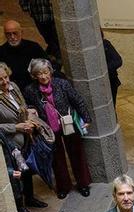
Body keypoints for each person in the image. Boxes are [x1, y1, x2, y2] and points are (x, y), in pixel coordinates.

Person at [23, 58, 92, 199]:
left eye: (45, 72)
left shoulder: (62, 84)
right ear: (34, 76)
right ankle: (63, 186)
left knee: (76, 153)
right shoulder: (30, 90)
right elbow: (29, 106)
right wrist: (32, 110)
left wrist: (86, 118)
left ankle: (83, 184)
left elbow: (77, 100)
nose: (43, 76)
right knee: (56, 157)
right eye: (39, 73)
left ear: (50, 71)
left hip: (68, 122)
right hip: (48, 128)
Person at [0, 61, 47, 212]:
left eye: (5, 77)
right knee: (16, 174)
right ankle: (20, 206)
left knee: (27, 170)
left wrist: (29, 117)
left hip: (26, 137)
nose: (5, 82)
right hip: (11, 143)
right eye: (0, 80)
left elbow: (23, 106)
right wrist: (17, 127)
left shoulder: (13, 87)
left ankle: (30, 198)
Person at [0, 19, 48, 90]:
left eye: (15, 33)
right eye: (8, 34)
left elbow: (46, 65)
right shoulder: (1, 51)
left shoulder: (34, 47)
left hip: (36, 87)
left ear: (21, 32)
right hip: (13, 89)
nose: (12, 37)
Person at [101, 29, 122, 108]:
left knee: (111, 106)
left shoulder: (106, 44)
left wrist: (104, 70)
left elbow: (118, 61)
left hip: (110, 81)